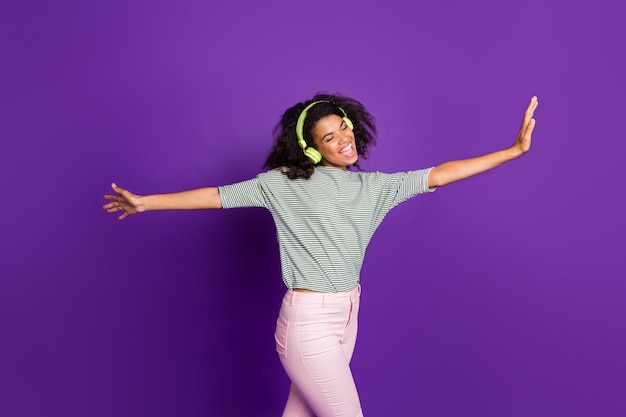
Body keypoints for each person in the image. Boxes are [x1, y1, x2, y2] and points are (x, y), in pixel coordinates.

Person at [103, 93, 539, 417]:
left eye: (344, 128)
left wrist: (512, 151)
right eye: (329, 137)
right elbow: (216, 196)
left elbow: (439, 175)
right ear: (312, 148)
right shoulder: (282, 184)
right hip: (308, 323)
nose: (343, 139)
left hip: (347, 314)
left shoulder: (375, 188)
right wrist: (146, 202)